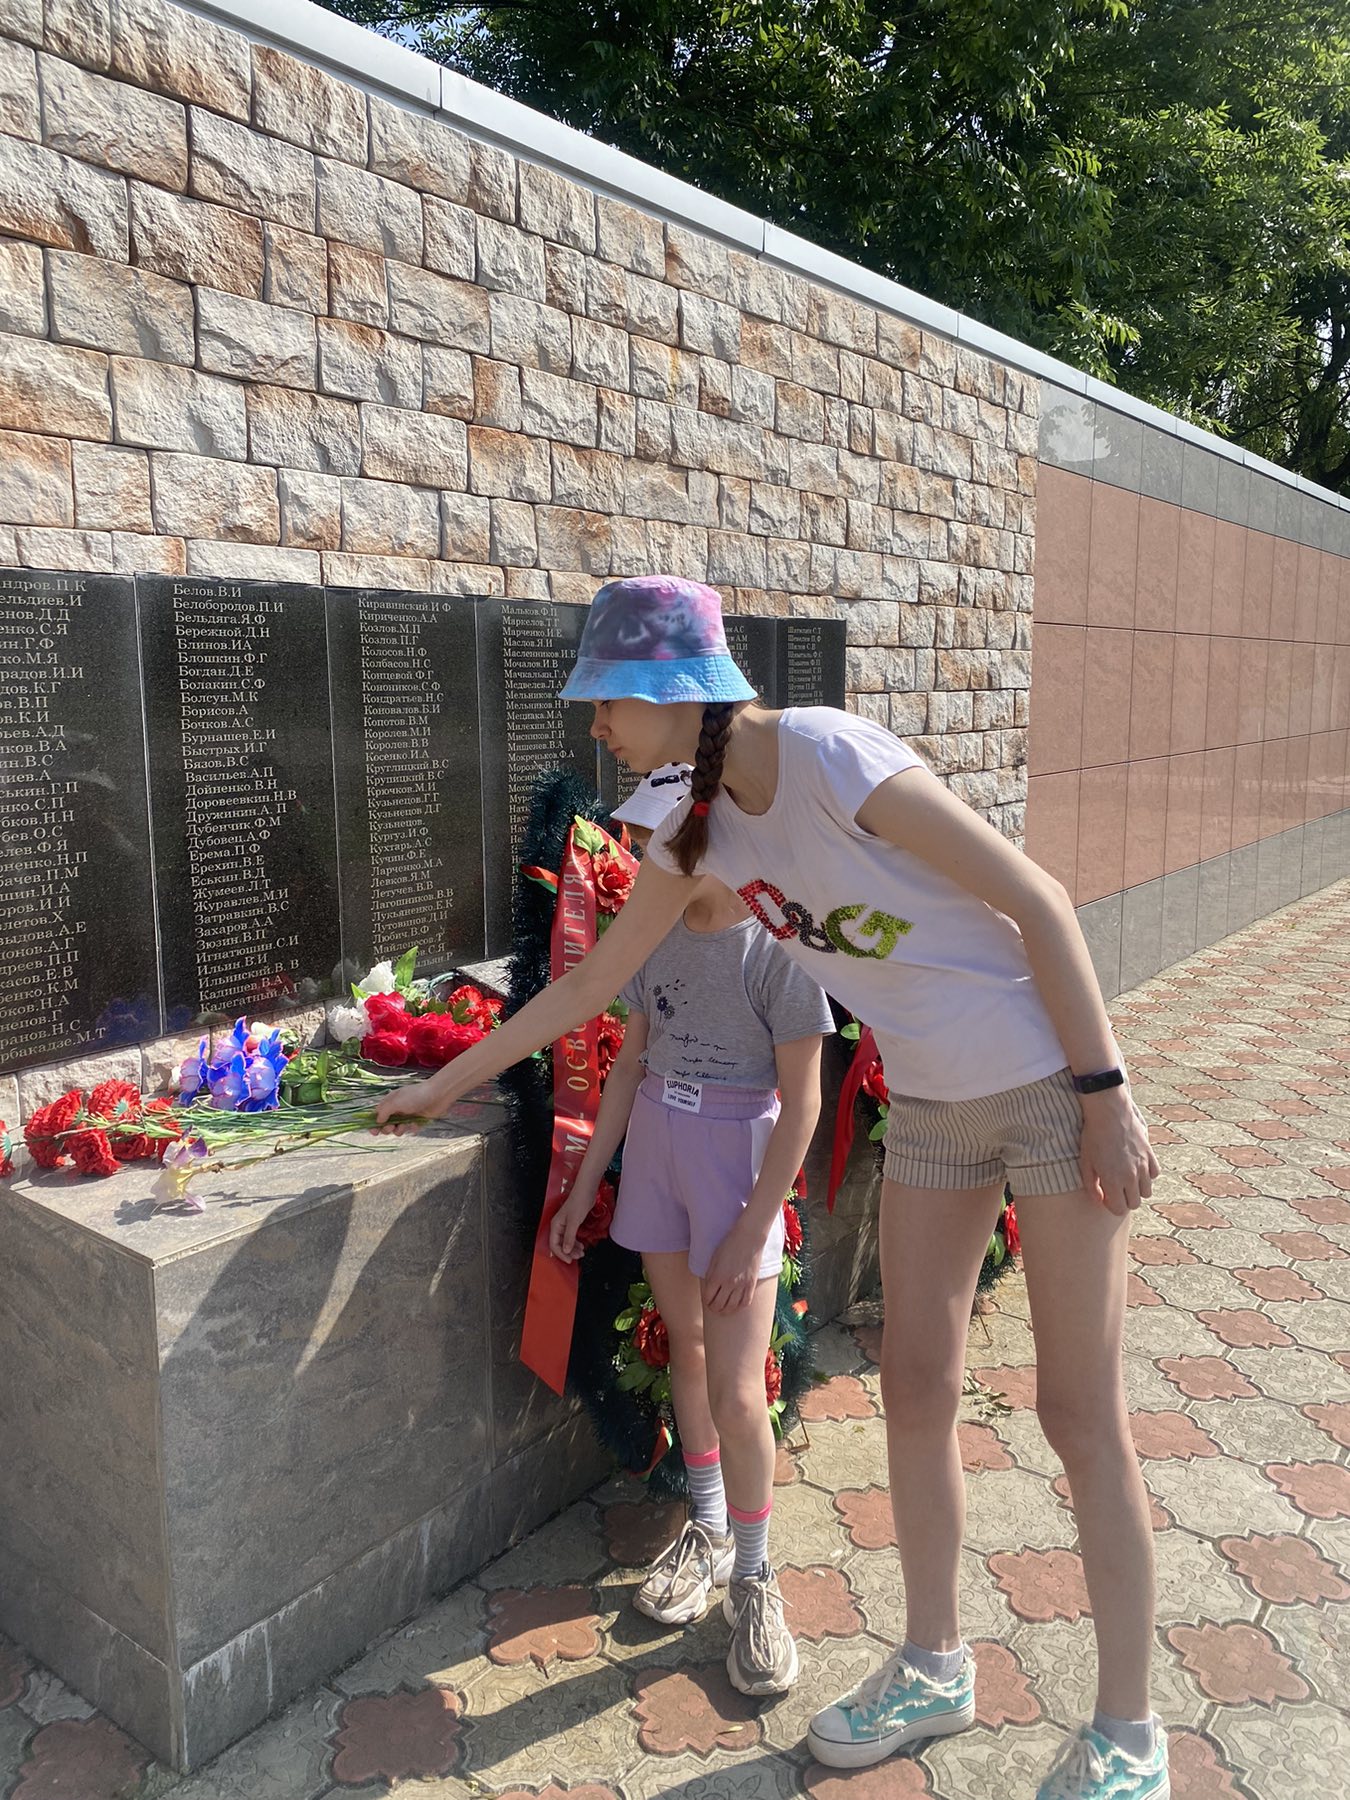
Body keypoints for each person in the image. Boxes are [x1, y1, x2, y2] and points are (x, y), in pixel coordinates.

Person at [378, 576, 1164, 1800]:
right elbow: (588, 989)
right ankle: (935, 1665)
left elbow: (1037, 900)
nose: (596, 727)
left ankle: (1128, 1734)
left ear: (671, 691)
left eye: (606, 701)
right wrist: (445, 1083)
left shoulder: (830, 756)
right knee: (916, 1387)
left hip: (1047, 1083)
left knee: (1079, 1413)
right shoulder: (699, 831)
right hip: (933, 1109)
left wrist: (1106, 1092)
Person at [548, 762, 833, 1696]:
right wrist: (586, 1187)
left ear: (709, 840)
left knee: (741, 1392)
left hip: (736, 1165)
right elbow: (631, 1064)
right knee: (687, 1349)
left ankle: (754, 1573)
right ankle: (708, 1527)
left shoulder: (776, 946)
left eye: (654, 838)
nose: (636, 853)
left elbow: (802, 1103)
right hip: (661, 1153)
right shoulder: (654, 935)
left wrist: (756, 1226)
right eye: (638, 838)